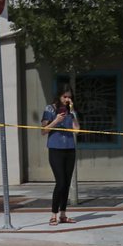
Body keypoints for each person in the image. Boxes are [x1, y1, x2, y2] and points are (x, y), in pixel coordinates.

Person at [40, 86, 78, 225]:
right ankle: (53, 214)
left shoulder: (71, 111)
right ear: (59, 96)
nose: (67, 99)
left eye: (69, 97)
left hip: (70, 149)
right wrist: (56, 121)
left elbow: (77, 129)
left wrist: (72, 112)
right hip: (56, 149)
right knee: (60, 182)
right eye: (65, 97)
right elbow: (43, 131)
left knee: (67, 183)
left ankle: (63, 214)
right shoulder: (50, 109)